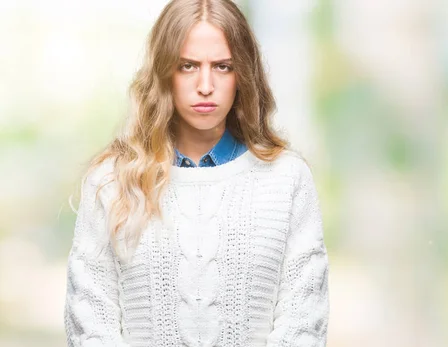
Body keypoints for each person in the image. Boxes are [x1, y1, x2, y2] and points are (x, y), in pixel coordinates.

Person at [63, 0, 330, 346]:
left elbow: (303, 322)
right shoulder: (111, 182)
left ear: (243, 74)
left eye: (222, 67)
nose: (205, 85)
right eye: (187, 66)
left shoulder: (287, 179)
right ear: (163, 72)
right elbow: (91, 325)